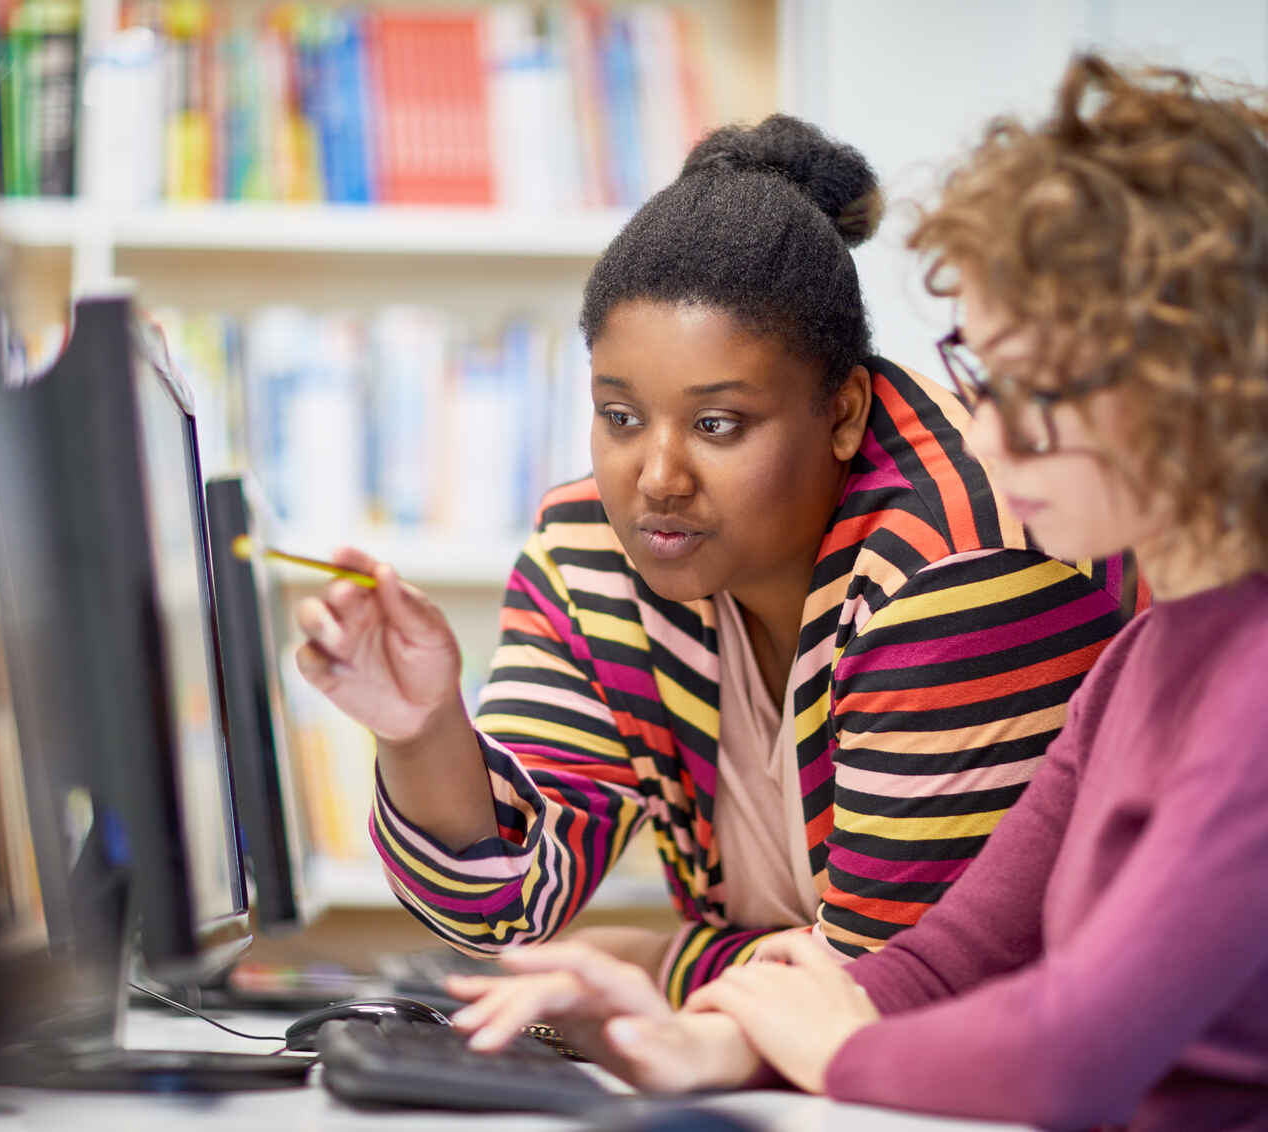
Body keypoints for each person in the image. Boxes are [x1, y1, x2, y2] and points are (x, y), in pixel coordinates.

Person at [445, 55, 1268, 1131]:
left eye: (1033, 387)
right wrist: (698, 1035)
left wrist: (818, 1039)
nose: (986, 431)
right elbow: (938, 964)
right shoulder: (1145, 660)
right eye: (982, 375)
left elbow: (1066, 1054)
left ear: (1196, 381)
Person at [295, 113, 1145, 1008]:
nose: (655, 479)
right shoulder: (594, 546)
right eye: (620, 416)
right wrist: (424, 732)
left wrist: (656, 965)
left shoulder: (959, 561)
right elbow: (504, 904)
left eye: (717, 425)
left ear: (845, 413)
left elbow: (892, 995)